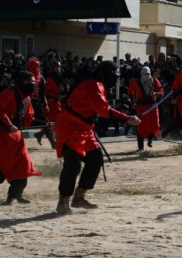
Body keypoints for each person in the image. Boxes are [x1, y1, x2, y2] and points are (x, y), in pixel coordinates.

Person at [54, 61, 140, 215]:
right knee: (72, 166)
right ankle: (63, 201)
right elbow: (103, 109)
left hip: (85, 129)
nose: (116, 79)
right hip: (69, 128)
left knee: (95, 159)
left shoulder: (99, 85)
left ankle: (79, 197)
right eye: (114, 76)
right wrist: (127, 118)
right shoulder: (92, 85)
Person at [0, 71, 42, 204]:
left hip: (16, 135)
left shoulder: (27, 99)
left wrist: (46, 125)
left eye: (33, 82)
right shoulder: (9, 93)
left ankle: (14, 195)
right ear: (21, 81)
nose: (32, 84)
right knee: (4, 164)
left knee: (24, 165)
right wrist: (9, 124)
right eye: (29, 82)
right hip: (1, 134)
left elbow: (29, 120)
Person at [127, 66, 163, 151]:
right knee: (140, 126)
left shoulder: (155, 81)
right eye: (145, 74)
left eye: (148, 74)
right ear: (142, 74)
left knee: (154, 124)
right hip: (141, 106)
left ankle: (150, 139)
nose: (147, 75)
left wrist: (155, 93)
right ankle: (140, 147)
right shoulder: (137, 82)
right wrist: (133, 102)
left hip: (152, 106)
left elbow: (161, 93)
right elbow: (130, 92)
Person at [28, 58, 55, 148]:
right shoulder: (25, 76)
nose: (36, 69)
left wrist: (46, 104)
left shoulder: (41, 78)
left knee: (44, 121)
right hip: (25, 101)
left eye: (37, 67)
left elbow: (42, 93)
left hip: (35, 101)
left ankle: (52, 142)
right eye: (33, 67)